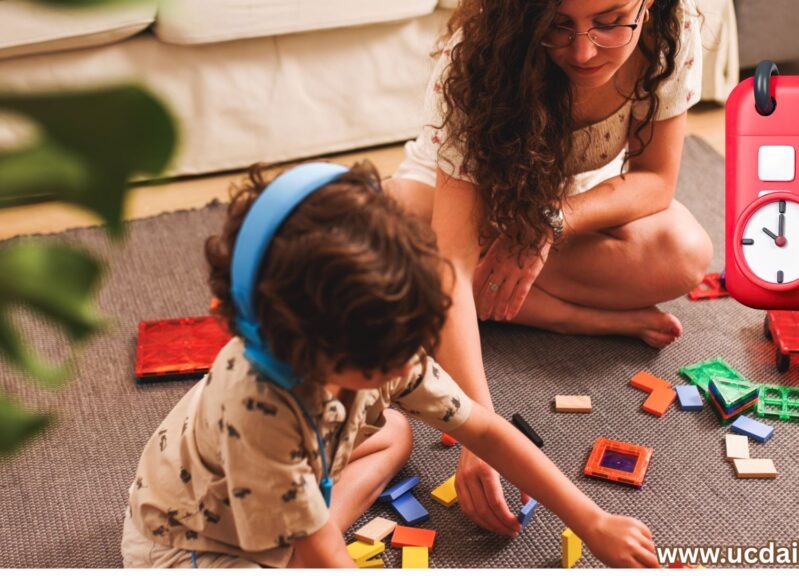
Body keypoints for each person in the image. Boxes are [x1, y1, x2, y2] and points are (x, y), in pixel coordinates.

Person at [119, 161, 660, 568]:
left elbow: (486, 432)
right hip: (189, 544)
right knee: (304, 551)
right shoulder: (260, 410)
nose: (408, 361)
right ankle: (302, 523)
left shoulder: (380, 337)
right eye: (386, 361)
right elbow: (317, 562)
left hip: (278, 479)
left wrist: (592, 520)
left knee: (395, 429)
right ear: (303, 344)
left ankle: (305, 517)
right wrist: (321, 548)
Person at [384, 0, 712, 538]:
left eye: (610, 22)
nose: (583, 51)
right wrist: (479, 432)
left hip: (560, 205)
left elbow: (656, 180)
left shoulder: (673, 27)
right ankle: (564, 315)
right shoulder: (475, 53)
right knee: (399, 233)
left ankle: (493, 301)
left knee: (684, 252)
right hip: (447, 203)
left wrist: (544, 226)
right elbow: (453, 260)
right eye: (556, 26)